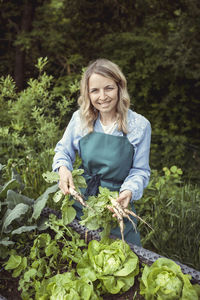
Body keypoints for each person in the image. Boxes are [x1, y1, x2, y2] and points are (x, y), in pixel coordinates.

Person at [52, 58, 151, 246]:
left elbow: (140, 170)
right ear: (87, 93)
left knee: (122, 258)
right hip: (82, 201)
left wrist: (129, 191)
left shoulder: (139, 125)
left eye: (109, 88)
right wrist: (63, 169)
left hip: (117, 205)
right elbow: (63, 151)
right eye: (95, 90)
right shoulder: (80, 119)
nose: (102, 96)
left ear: (120, 87)